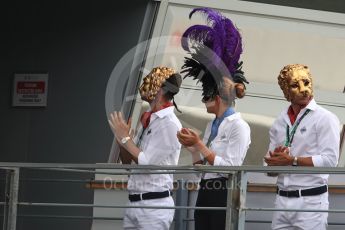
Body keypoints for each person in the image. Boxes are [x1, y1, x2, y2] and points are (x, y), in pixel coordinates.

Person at [177, 8, 251, 230]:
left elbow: (232, 168)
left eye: (206, 96)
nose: (204, 101)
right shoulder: (212, 124)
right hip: (206, 189)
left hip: (225, 192)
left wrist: (200, 144)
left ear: (217, 98)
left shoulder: (239, 126)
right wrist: (193, 150)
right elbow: (204, 168)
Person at [264, 64, 340, 230]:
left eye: (306, 82)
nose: (303, 89)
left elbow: (330, 161)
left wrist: (292, 160)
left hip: (311, 202)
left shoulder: (326, 118)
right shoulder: (279, 121)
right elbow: (268, 169)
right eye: (294, 85)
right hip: (281, 201)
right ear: (286, 91)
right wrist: (274, 163)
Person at [108, 66, 182, 230]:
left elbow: (147, 163)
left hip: (154, 207)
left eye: (150, 79)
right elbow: (128, 164)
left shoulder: (169, 124)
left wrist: (126, 139)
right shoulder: (150, 118)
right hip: (135, 203)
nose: (145, 83)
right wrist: (122, 141)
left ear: (160, 90)